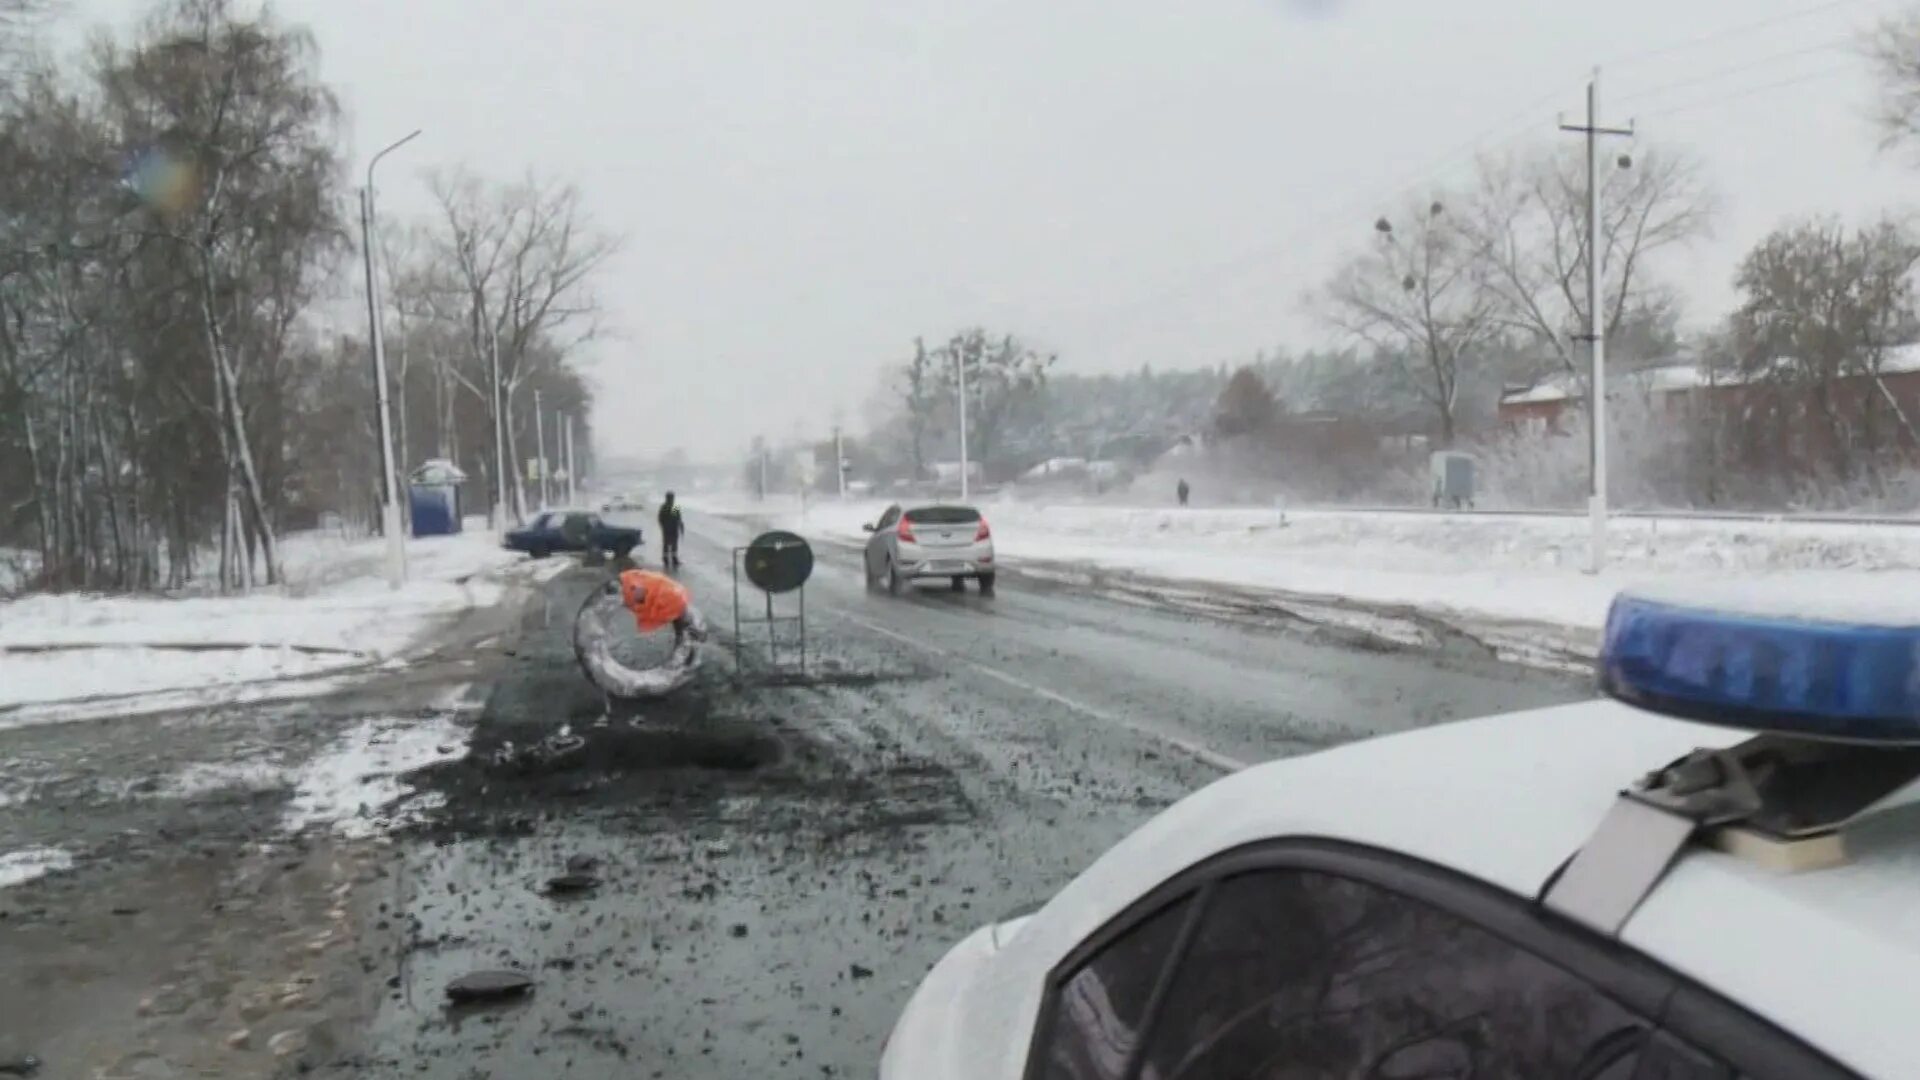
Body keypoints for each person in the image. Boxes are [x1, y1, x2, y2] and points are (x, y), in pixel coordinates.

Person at [657, 491, 685, 568]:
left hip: (670, 528)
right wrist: (681, 527)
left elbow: (660, 519)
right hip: (671, 528)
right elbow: (678, 519)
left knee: (669, 544)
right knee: (671, 544)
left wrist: (663, 526)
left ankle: (669, 559)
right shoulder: (671, 507)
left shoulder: (666, 507)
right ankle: (671, 559)